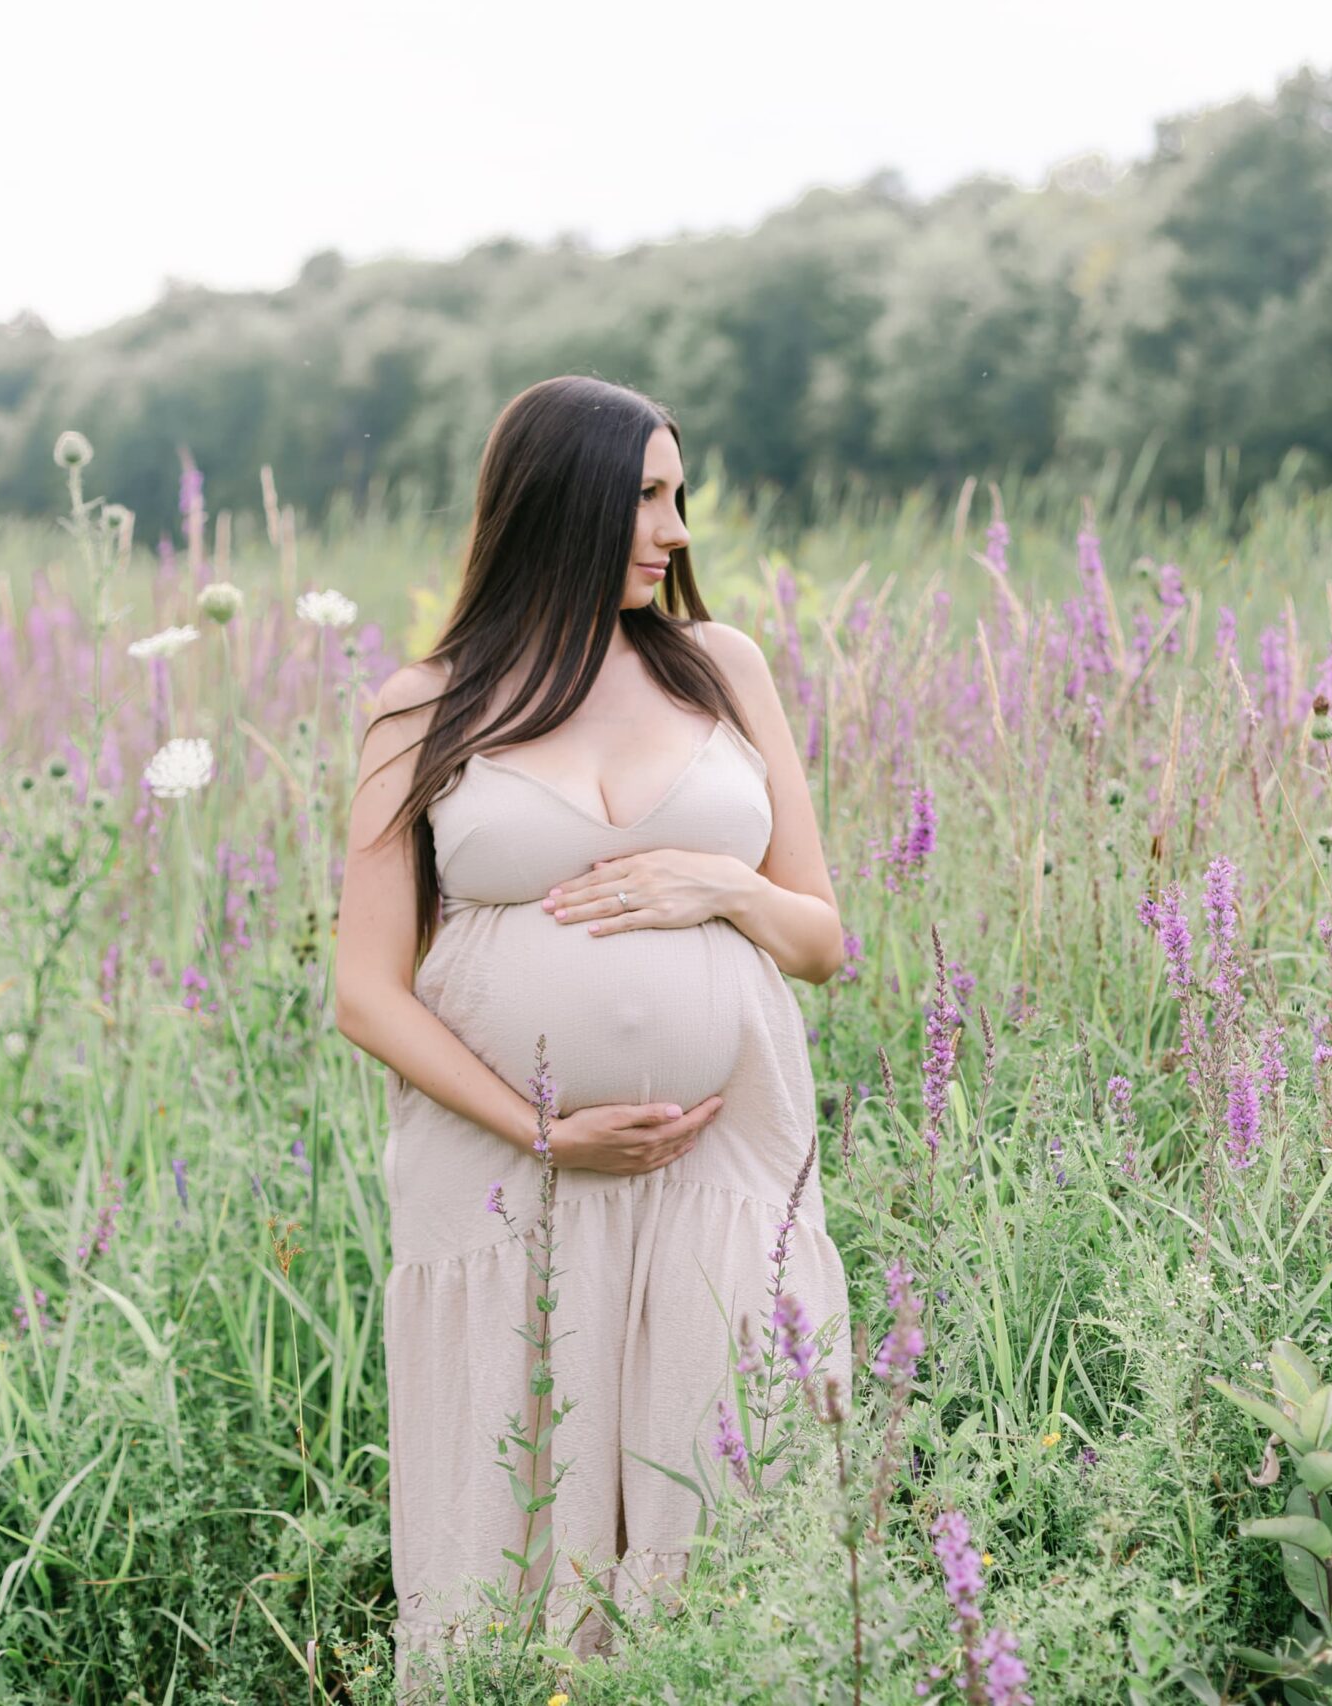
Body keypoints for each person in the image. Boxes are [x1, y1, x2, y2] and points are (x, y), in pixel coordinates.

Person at [331, 375, 854, 1680]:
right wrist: (545, 1129)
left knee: (731, 1500)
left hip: (719, 1180)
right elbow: (366, 989)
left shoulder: (719, 667)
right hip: (511, 1183)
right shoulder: (424, 706)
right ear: (559, 505)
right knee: (518, 1538)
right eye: (648, 497)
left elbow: (823, 940)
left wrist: (722, 885)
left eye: (679, 496)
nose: (676, 530)